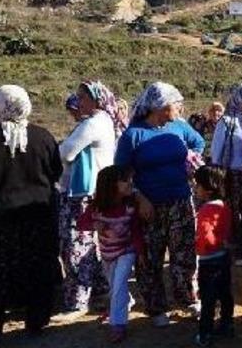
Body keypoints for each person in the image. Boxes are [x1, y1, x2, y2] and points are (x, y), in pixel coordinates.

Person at [115, 81, 205, 327]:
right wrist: (139, 197)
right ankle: (156, 307)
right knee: (151, 258)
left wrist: (190, 162)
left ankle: (187, 297)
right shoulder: (133, 135)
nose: (179, 109)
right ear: (161, 107)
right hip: (149, 207)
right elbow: (120, 176)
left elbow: (198, 143)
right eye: (176, 105)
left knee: (184, 252)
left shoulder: (179, 127)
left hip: (180, 201)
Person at [0, 85, 63, 347]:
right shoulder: (42, 137)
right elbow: (55, 172)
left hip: (0, 219)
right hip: (39, 214)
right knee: (37, 265)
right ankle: (35, 320)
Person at [58, 81, 122, 314]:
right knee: (88, 243)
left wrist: (60, 148)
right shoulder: (103, 121)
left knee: (75, 244)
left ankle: (78, 300)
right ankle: (99, 288)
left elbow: (67, 152)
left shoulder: (92, 123)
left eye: (82, 97)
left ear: (95, 99)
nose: (79, 101)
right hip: (94, 189)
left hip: (81, 192)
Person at [77, 165, 143, 344]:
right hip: (107, 254)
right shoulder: (97, 207)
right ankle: (125, 302)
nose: (131, 184)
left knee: (119, 284)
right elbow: (81, 223)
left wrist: (139, 252)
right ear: (111, 185)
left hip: (126, 251)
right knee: (115, 286)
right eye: (125, 181)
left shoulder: (130, 206)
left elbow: (136, 231)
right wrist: (93, 224)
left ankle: (117, 324)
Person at [211, 83, 242, 265]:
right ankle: (236, 251)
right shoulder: (227, 121)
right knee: (234, 213)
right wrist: (218, 177)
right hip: (233, 175)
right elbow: (217, 150)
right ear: (240, 98)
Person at [192, 166, 234, 347]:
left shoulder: (205, 211)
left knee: (208, 299)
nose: (195, 189)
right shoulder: (225, 207)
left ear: (208, 189)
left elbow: (206, 236)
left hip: (209, 260)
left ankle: (205, 333)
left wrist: (199, 248)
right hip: (223, 257)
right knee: (225, 293)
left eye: (197, 186)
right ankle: (226, 324)